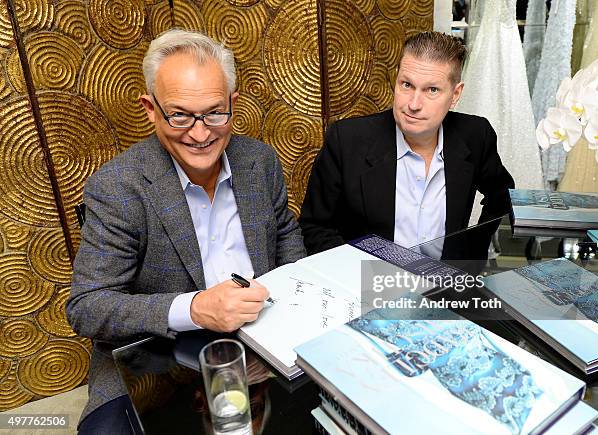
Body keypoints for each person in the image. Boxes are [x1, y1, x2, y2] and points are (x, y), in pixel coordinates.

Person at [67, 29, 305, 433]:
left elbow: (285, 234)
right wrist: (194, 308)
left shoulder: (260, 161)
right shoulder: (118, 186)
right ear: (150, 108)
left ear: (233, 103)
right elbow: (87, 307)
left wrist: (295, 298)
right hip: (158, 358)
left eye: (215, 112)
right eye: (179, 115)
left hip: (265, 341)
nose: (200, 134)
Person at [299, 31, 515, 257]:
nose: (413, 104)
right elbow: (315, 228)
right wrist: (360, 279)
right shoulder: (347, 140)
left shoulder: (476, 135)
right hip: (369, 283)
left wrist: (472, 252)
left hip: (446, 283)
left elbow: (502, 196)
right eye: (407, 85)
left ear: (455, 94)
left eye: (432, 90)